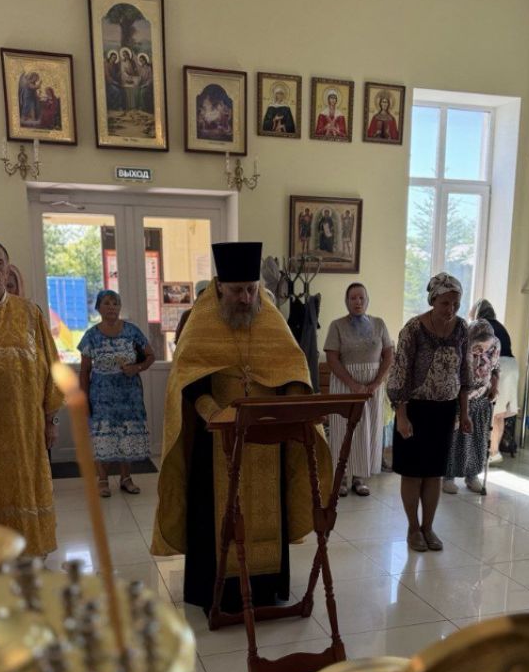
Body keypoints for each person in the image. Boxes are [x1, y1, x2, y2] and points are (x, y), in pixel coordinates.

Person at [151, 241, 332, 613]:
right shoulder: (200, 321)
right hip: (217, 437)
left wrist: (296, 404)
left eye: (251, 289)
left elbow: (293, 367)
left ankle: (265, 590)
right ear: (220, 287)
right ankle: (215, 592)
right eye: (237, 291)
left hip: (267, 436)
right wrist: (212, 412)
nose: (247, 298)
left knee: (268, 511)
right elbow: (188, 377)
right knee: (214, 512)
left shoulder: (271, 318)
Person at [387, 272, 473, 552]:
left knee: (434, 473)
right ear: (433, 300)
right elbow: (400, 374)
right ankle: (413, 528)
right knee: (413, 473)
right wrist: (402, 416)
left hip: (444, 410)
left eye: (456, 304)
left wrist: (464, 413)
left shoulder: (462, 329)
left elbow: (465, 373)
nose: (451, 309)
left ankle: (428, 527)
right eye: (445, 303)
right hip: (414, 409)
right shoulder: (414, 329)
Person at [0, 237, 63, 556]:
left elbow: (53, 370)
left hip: (24, 431)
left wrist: (51, 421)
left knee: (24, 492)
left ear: (7, 271)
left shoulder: (30, 314)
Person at [78, 289, 154, 497]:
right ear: (98, 308)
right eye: (107, 303)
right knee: (103, 435)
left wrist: (136, 367)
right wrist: (84, 399)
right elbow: (84, 371)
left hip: (129, 394)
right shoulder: (91, 335)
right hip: (101, 396)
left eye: (115, 303)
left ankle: (126, 478)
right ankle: (102, 480)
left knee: (126, 434)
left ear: (120, 307)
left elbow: (150, 356)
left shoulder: (132, 331)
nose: (112, 307)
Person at [324, 283, 393, 496]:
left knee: (367, 432)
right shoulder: (337, 326)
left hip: (372, 389)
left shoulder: (379, 324)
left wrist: (376, 383)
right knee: (343, 430)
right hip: (345, 386)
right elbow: (332, 359)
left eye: (361, 297)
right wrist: (353, 385)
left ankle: (359, 477)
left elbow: (388, 355)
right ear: (346, 301)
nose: (358, 302)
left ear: (367, 300)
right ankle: (342, 477)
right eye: (353, 298)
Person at [443, 319, 500, 494]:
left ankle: (472, 475)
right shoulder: (460, 346)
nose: (481, 351)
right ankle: (448, 477)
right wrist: (464, 410)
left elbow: (496, 368)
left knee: (478, 439)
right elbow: (460, 381)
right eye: (478, 346)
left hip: (482, 397)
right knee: (455, 438)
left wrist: (494, 386)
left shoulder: (495, 344)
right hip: (460, 397)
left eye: (485, 346)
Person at [470, 299, 519, 463]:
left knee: (493, 412)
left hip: (500, 367)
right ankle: (494, 452)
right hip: (511, 366)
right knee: (500, 414)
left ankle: (491, 452)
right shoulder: (499, 326)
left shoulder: (480, 327)